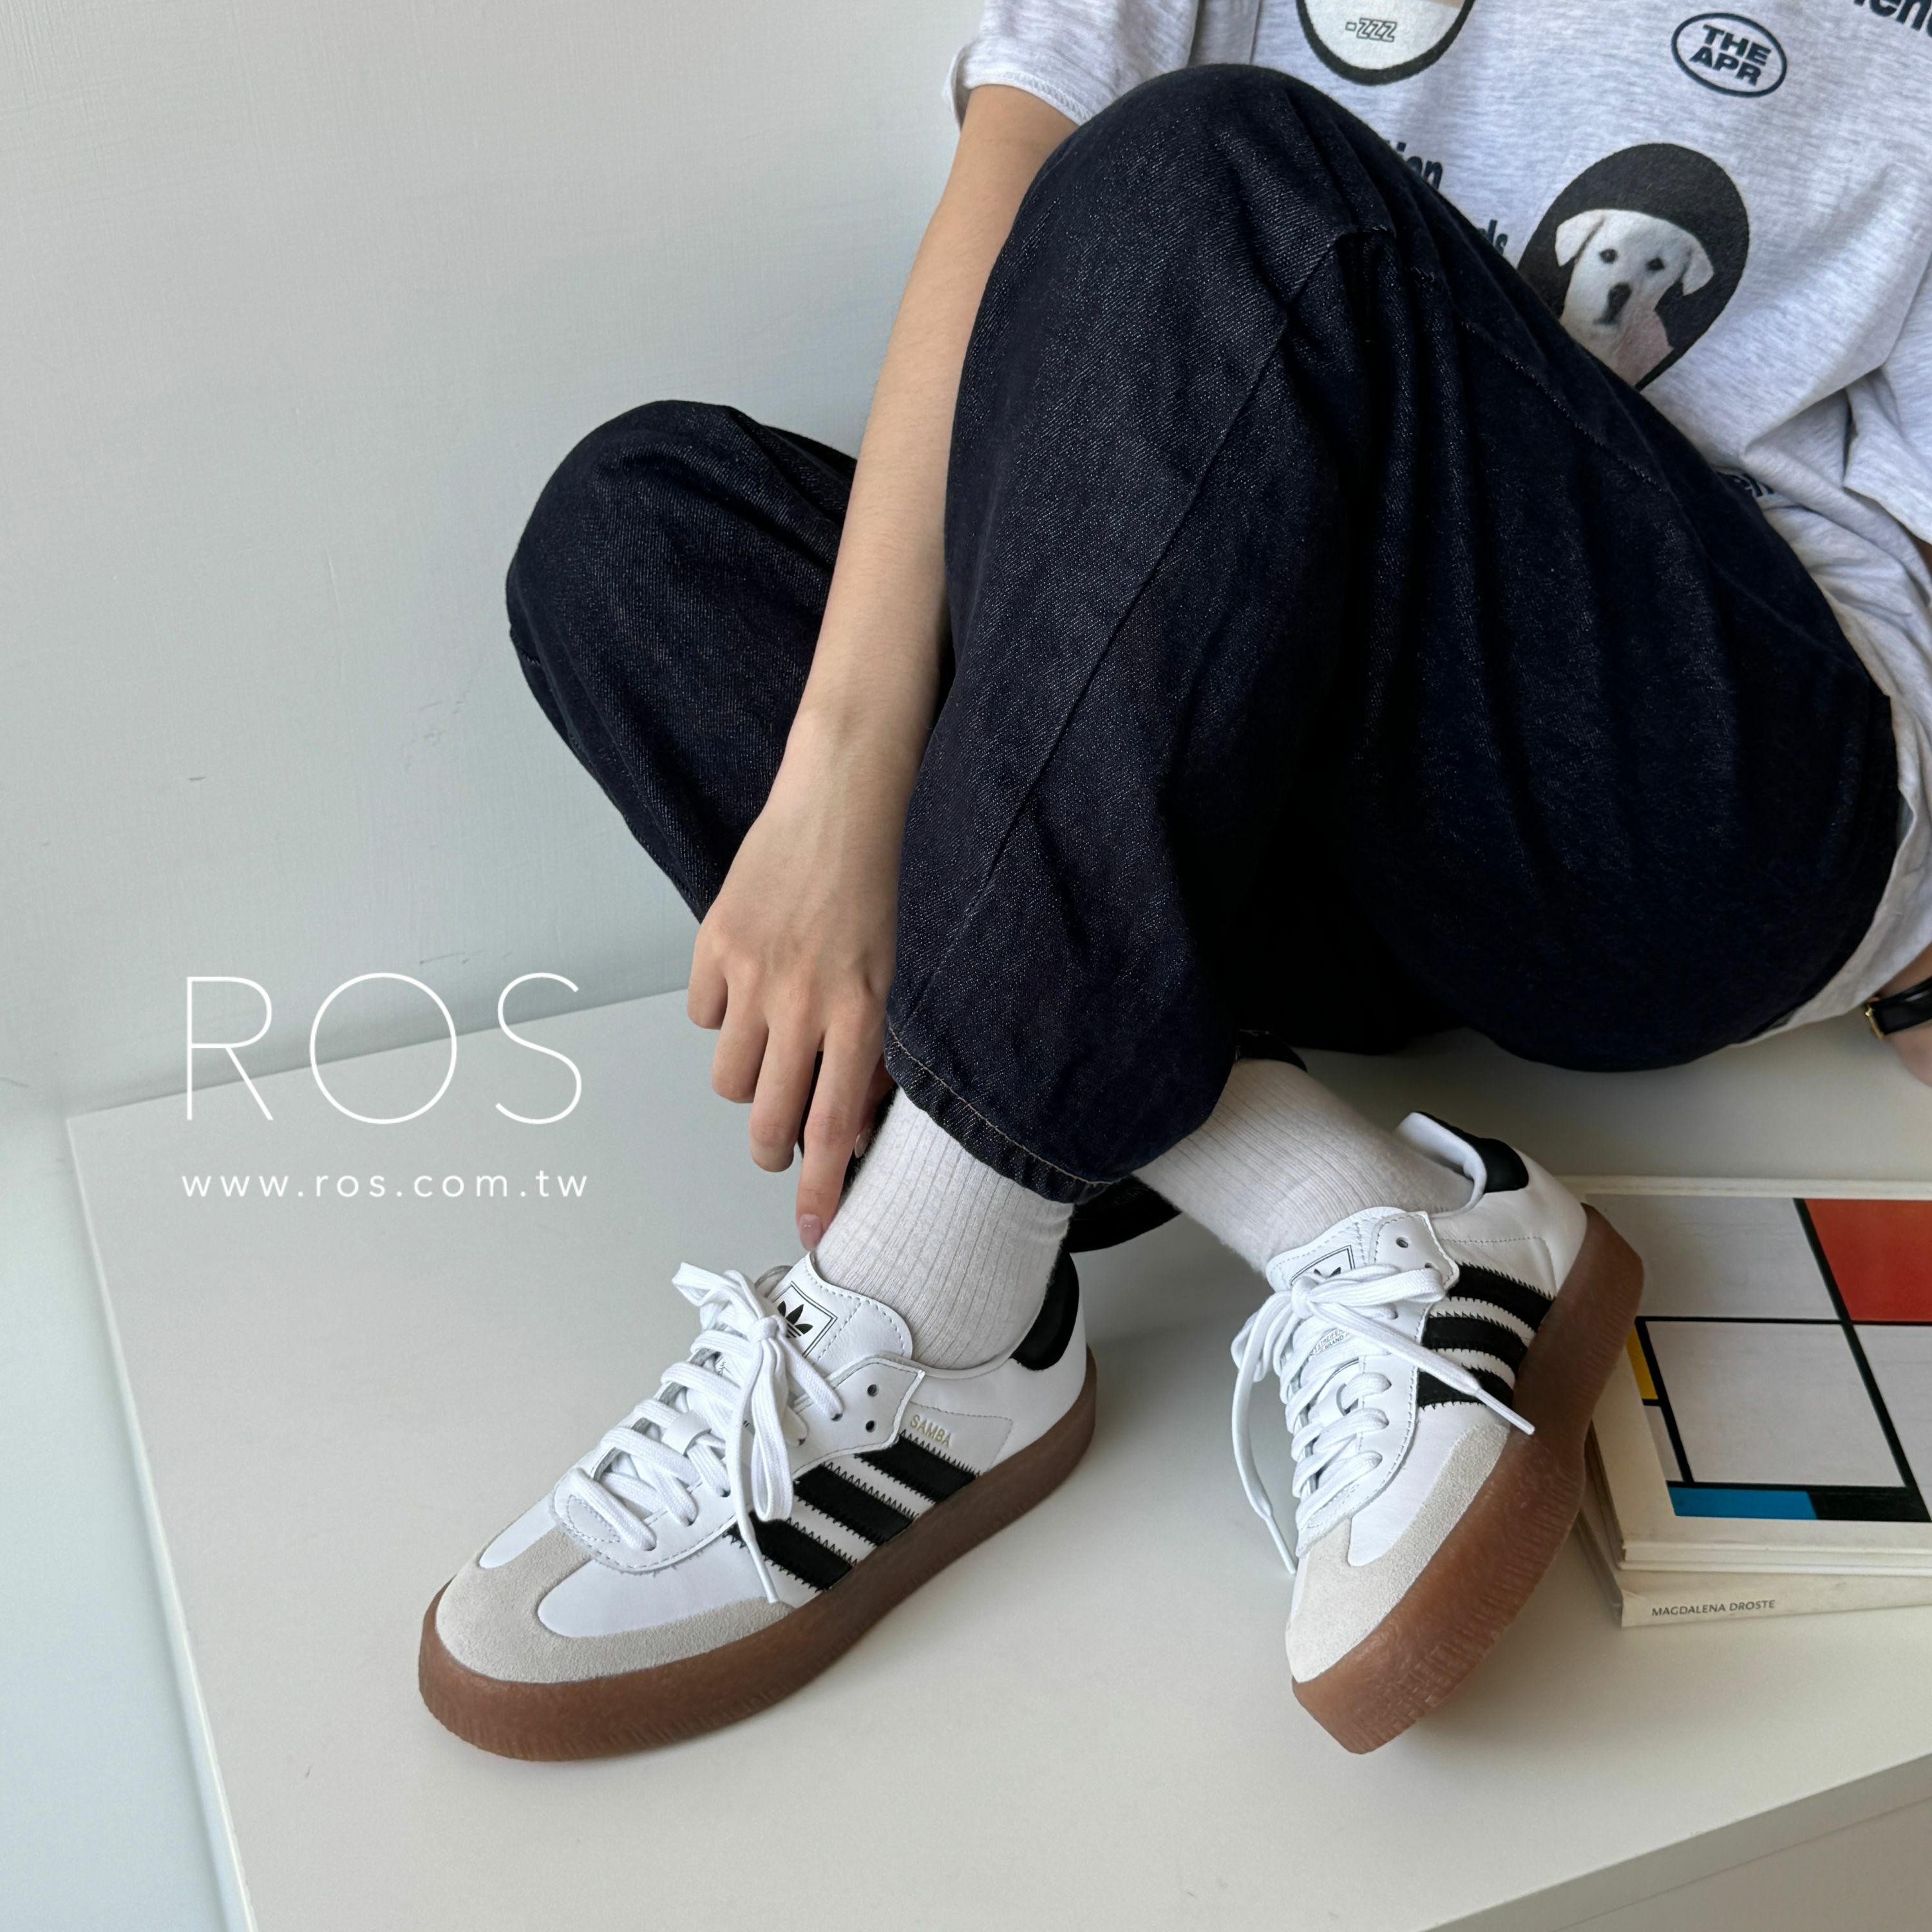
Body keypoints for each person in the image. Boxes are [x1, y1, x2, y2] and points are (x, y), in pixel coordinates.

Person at [417, 3, 1932, 1758]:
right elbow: (1009, 201)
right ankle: (1350, 1210)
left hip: (1665, 815)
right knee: (639, 535)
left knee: (1221, 164)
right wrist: (839, 776)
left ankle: (928, 1311)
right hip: (1247, 777)